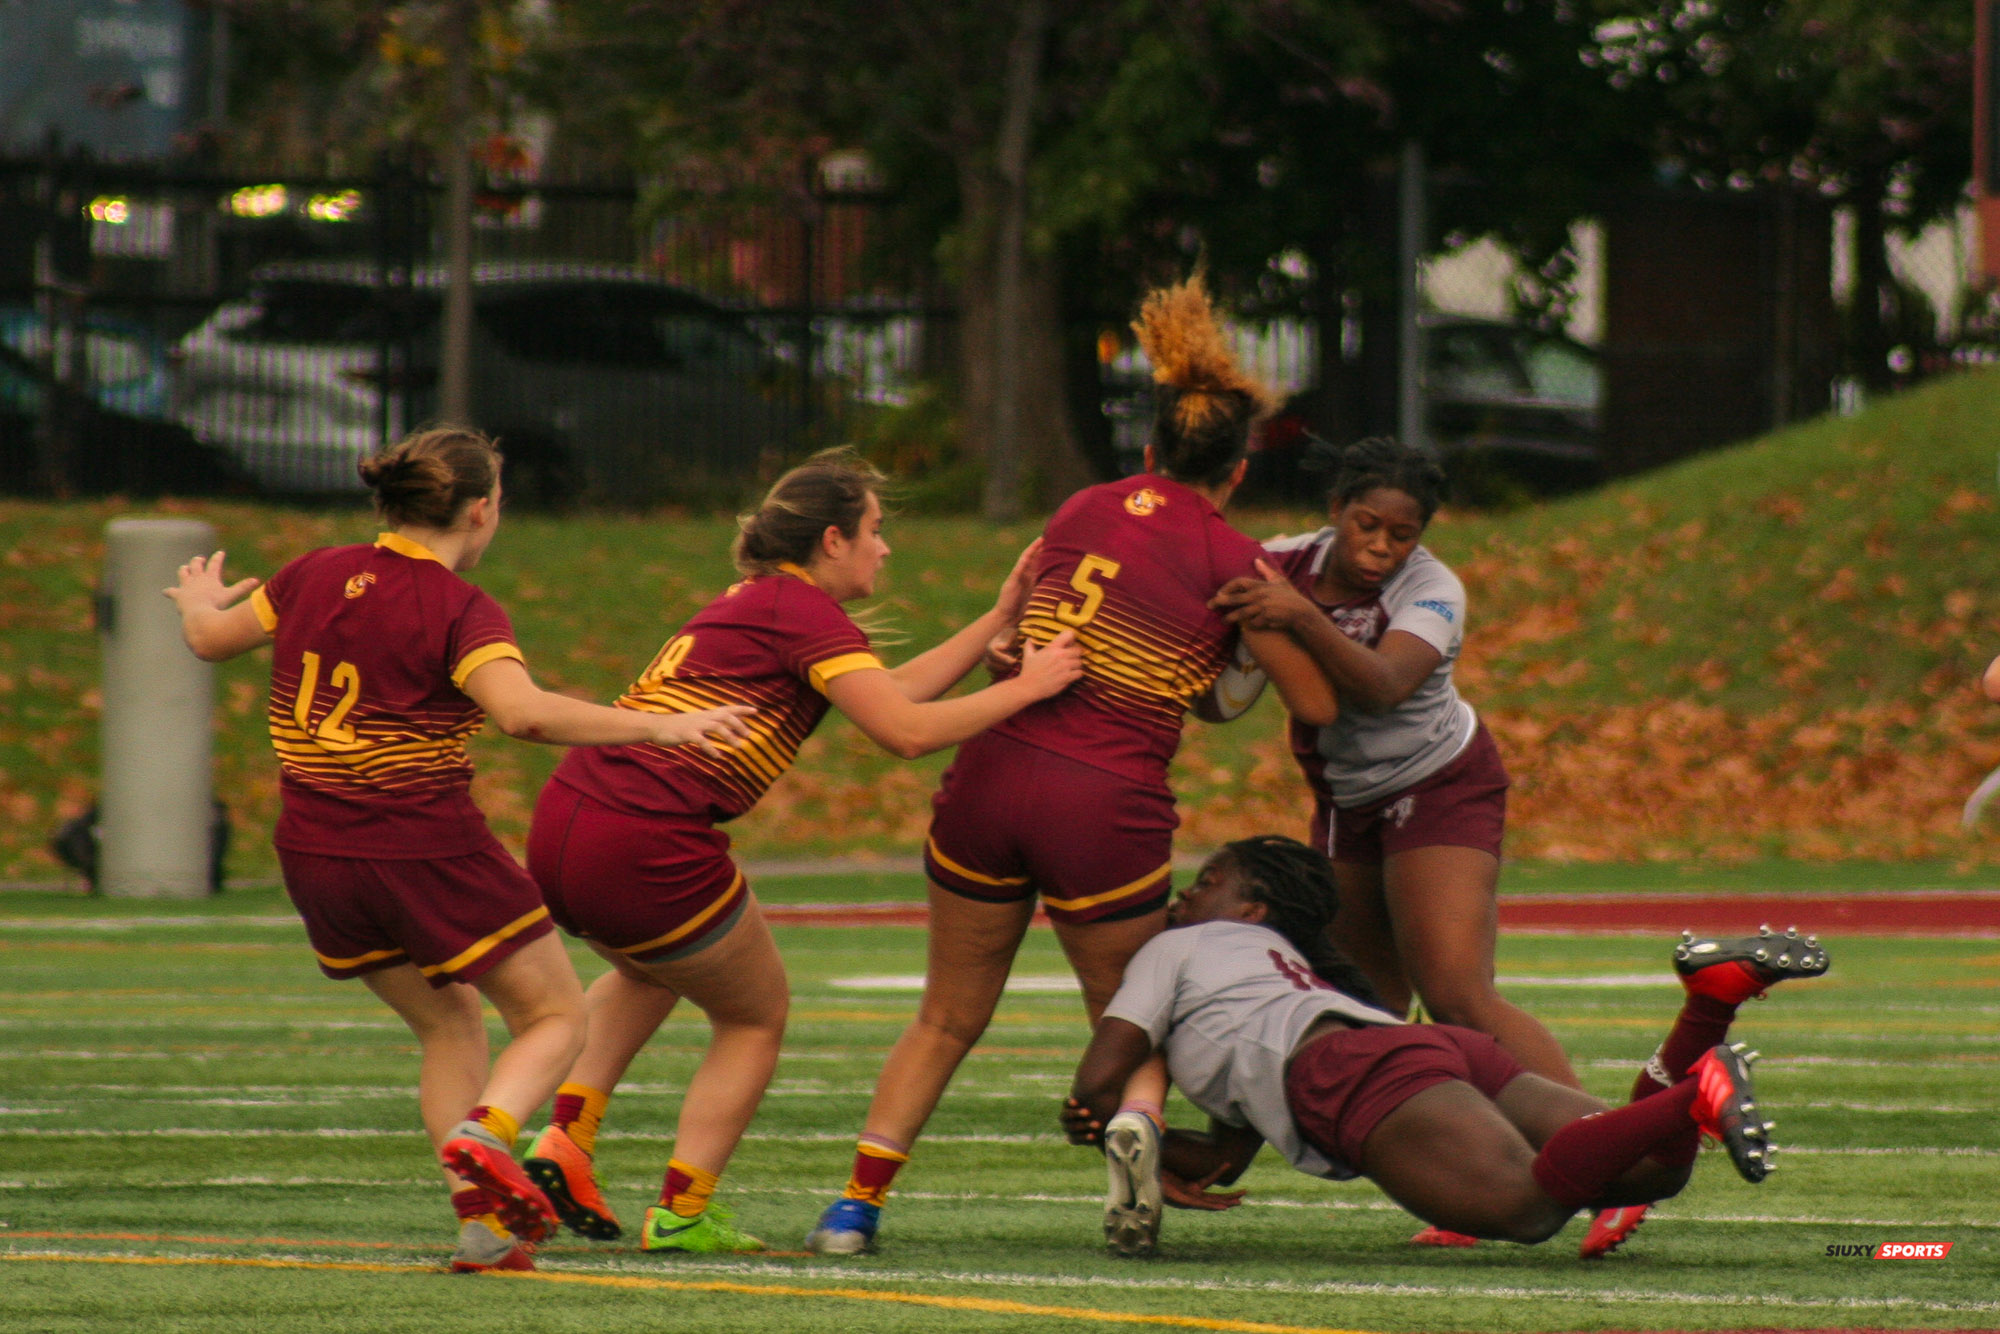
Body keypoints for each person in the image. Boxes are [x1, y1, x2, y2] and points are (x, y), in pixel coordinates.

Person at [806, 276, 1340, 1257]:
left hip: (992, 769)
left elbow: (1031, 620)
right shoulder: (1234, 557)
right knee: (1124, 1017)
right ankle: (1139, 1153)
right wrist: (1275, 628)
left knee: (944, 1016)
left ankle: (854, 1204)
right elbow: (1313, 703)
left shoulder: (1083, 504)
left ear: (1148, 451)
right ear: (1236, 471)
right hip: (1104, 799)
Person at [164, 426, 755, 1275]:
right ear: (480, 511)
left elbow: (210, 641)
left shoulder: (310, 572)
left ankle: (484, 1225)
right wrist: (669, 723)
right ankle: (488, 1135)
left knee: (448, 1026)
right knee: (556, 1016)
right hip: (421, 844)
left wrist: (194, 603)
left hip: (314, 852)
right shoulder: (458, 609)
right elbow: (525, 714)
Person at [517, 447, 1085, 1256]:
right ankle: (682, 1212)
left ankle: (566, 1141)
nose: (885, 548)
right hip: (644, 832)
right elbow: (906, 733)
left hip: (570, 818)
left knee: (651, 969)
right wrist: (1028, 687)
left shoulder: (761, 600)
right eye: (876, 531)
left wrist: (1000, 618)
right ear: (831, 540)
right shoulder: (797, 610)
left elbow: (894, 693)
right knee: (755, 1015)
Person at [1209, 434, 1620, 1250]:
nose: (1382, 548)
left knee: (1458, 991)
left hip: (1439, 784)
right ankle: (1482, 1182)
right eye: (1367, 526)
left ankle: (1609, 1164)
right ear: (1335, 513)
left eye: (1402, 534)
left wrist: (1300, 619)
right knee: (1364, 1008)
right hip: (1346, 800)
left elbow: (1383, 684)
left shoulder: (1433, 589)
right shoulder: (1281, 561)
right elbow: (1203, 608)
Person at [1063, 835, 1829, 1256]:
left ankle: (1700, 1090)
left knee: (1526, 1210)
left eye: (1206, 882)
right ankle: (1709, 1004)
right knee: (1650, 1170)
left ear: (1254, 907)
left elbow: (1100, 1078)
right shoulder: (1278, 966)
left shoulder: (1173, 951)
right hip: (1423, 1051)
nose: (1183, 898)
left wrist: (1090, 1117)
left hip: (1355, 1072)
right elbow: (1228, 1158)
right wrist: (1154, 1154)